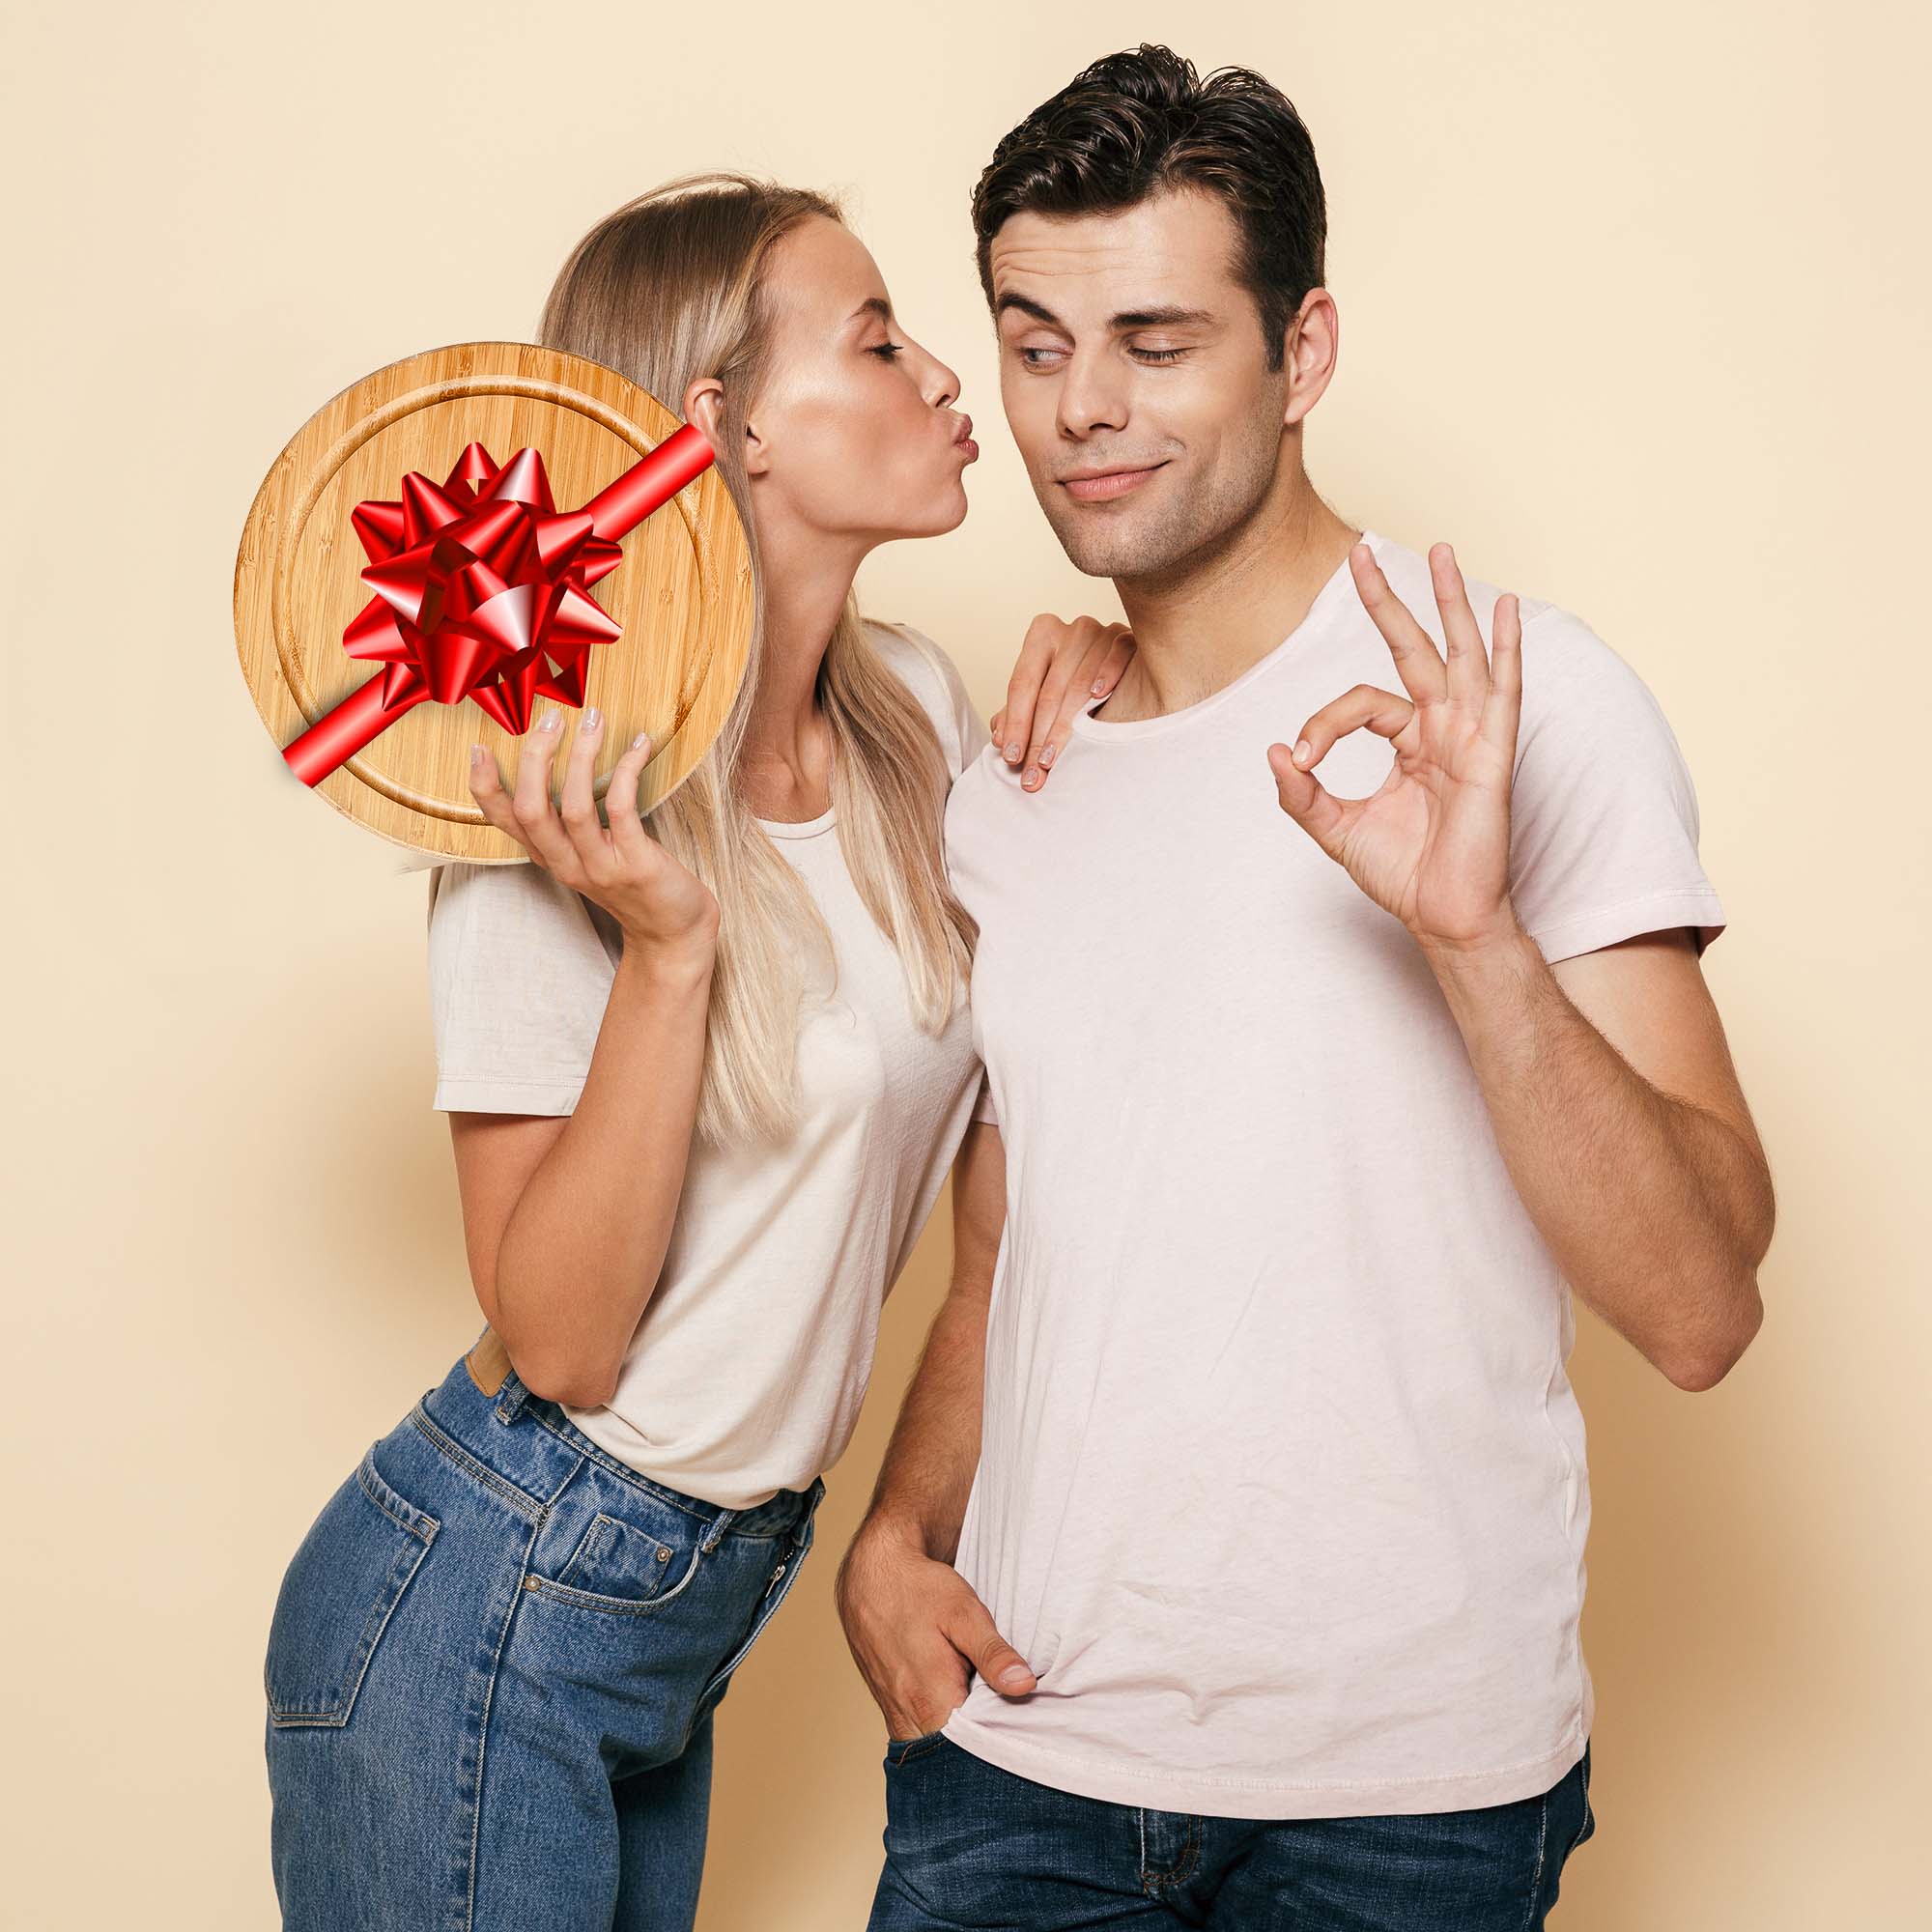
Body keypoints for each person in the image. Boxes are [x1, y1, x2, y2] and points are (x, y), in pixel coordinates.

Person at [839, 45, 1776, 1931]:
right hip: (1016, 1768)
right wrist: (895, 1532)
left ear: (1304, 347)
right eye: (1033, 345)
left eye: (1158, 342)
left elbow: (1699, 1304)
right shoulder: (1018, 760)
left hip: (1406, 1809)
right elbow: (1020, 1230)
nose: (1081, 412)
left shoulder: (1515, 707)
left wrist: (1471, 939)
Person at [260, 171, 1126, 1932]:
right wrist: (669, 953)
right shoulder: (543, 815)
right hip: (494, 1597)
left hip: (681, 1611)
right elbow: (563, 1340)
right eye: (879, 340)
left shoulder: (915, 725)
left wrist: (1119, 682)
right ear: (723, 430)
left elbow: (1040, 1064)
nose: (949, 380)